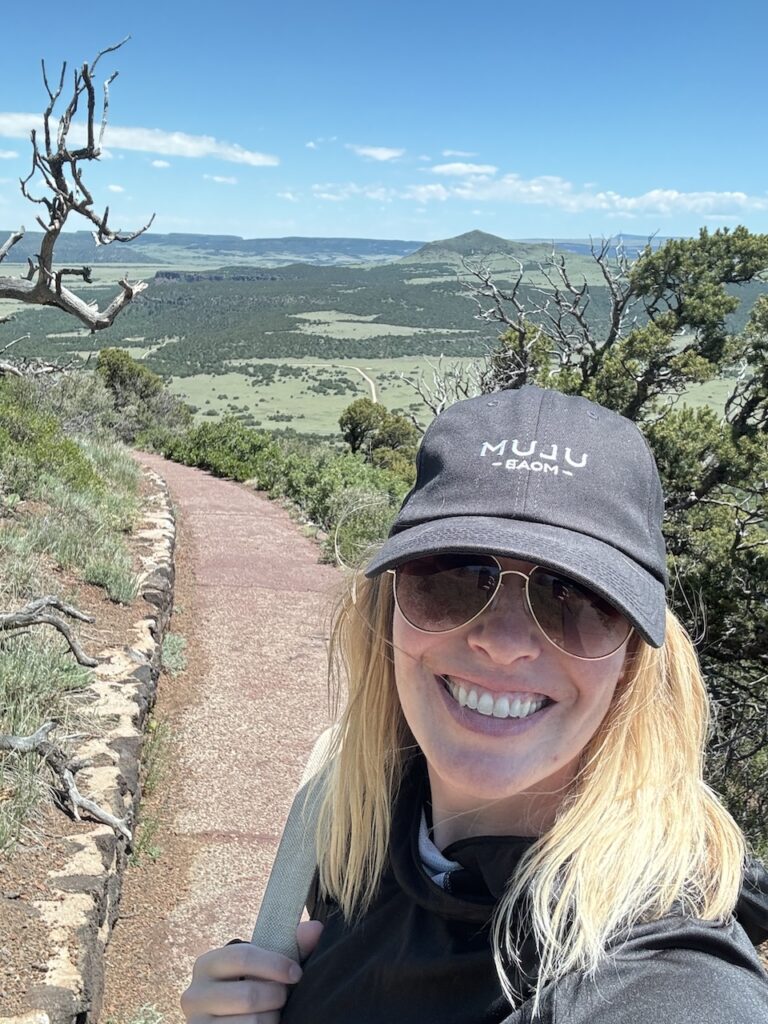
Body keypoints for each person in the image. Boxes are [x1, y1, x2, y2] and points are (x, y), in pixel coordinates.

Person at [181, 385, 768, 1023]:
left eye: (573, 595)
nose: (503, 643)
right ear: (389, 609)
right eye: (455, 576)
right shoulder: (362, 824)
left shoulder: (667, 985)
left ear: (634, 656)